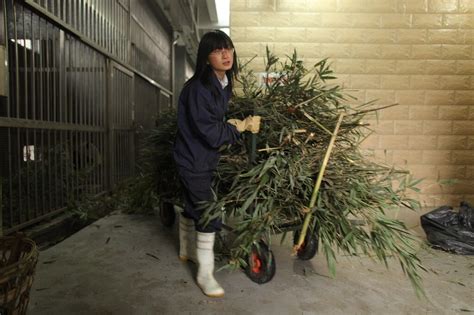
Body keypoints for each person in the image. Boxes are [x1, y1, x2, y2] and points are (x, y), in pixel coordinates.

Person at [173, 30, 261, 298]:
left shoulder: (223, 83)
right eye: (217, 51)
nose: (226, 55)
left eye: (229, 49)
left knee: (194, 204)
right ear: (205, 57)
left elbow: (216, 121)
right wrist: (240, 128)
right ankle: (205, 273)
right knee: (210, 213)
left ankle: (186, 250)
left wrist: (231, 124)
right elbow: (210, 132)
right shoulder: (198, 89)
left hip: (203, 156)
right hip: (193, 158)